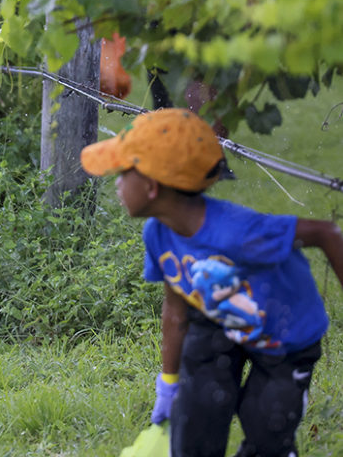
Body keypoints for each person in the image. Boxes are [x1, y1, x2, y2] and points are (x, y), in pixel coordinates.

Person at [80, 108, 343, 457]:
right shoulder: (158, 234)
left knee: (267, 427)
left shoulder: (239, 232)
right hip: (217, 322)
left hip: (285, 337)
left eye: (123, 172)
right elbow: (176, 312)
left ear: (151, 185)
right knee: (194, 420)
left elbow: (327, 233)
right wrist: (169, 385)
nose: (115, 182)